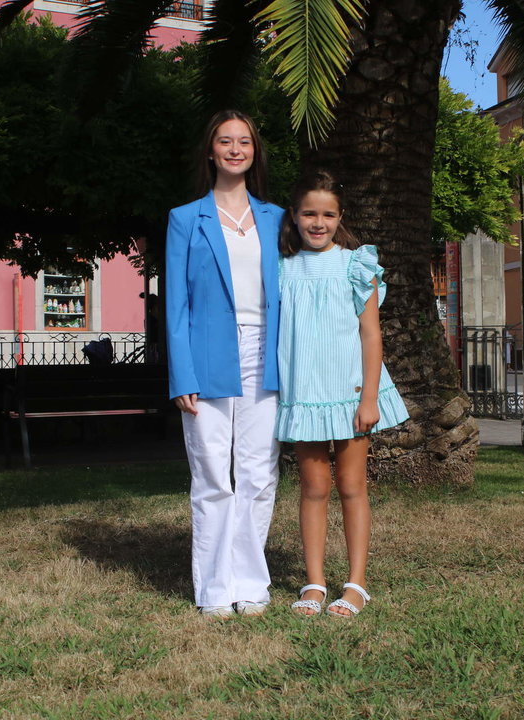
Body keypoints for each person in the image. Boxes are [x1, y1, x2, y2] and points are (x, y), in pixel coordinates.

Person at [165, 110, 284, 618]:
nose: (236, 149)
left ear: (254, 151)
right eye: (225, 141)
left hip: (266, 353)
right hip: (208, 355)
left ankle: (251, 584)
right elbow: (176, 304)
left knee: (259, 474)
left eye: (244, 141)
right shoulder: (185, 217)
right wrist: (181, 374)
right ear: (211, 150)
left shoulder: (278, 218)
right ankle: (214, 589)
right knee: (213, 474)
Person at [276, 171, 409, 618]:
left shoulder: (357, 265)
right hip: (304, 394)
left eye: (327, 214)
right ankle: (314, 582)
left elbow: (371, 335)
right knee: (313, 488)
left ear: (340, 217)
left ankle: (356, 584)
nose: (318, 222)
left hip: (351, 393)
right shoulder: (280, 269)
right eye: (309, 213)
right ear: (294, 217)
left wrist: (369, 397)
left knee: (352, 486)